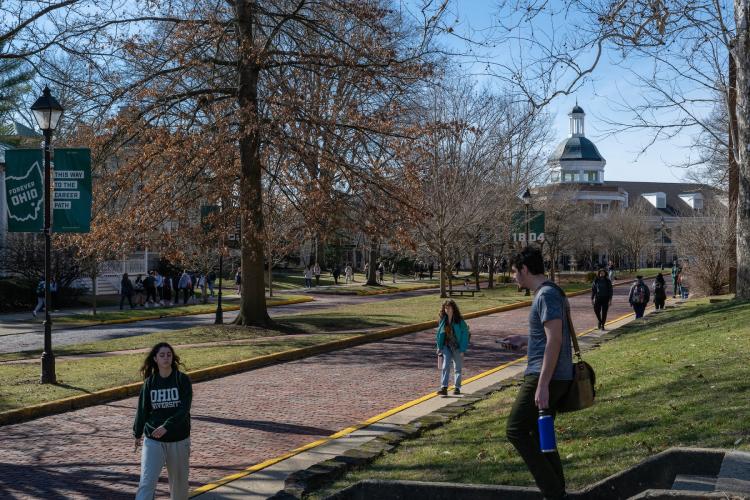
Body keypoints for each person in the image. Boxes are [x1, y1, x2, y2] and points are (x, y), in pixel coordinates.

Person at [506, 246, 573, 500]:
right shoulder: (550, 292)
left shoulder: (545, 295)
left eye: (514, 271)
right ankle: (557, 492)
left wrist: (543, 383)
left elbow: (555, 340)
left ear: (524, 269)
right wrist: (524, 340)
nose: (514, 277)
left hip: (546, 375)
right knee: (539, 433)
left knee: (516, 429)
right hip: (552, 374)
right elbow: (548, 336)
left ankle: (554, 493)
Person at [133, 342, 192, 500]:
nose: (166, 358)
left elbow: (184, 410)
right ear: (155, 359)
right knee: (146, 482)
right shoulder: (150, 383)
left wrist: (167, 426)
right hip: (153, 441)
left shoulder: (182, 380)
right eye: (162, 355)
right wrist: (137, 433)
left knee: (179, 486)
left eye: (169, 354)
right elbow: (142, 409)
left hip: (179, 440)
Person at [435, 299, 470, 396]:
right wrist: (439, 346)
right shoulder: (443, 320)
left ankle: (457, 388)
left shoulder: (459, 321)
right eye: (446, 308)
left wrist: (463, 349)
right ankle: (444, 388)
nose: (447, 310)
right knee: (445, 365)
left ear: (453, 308)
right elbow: (439, 334)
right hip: (446, 346)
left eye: (449, 308)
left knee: (457, 368)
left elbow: (465, 334)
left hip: (457, 347)